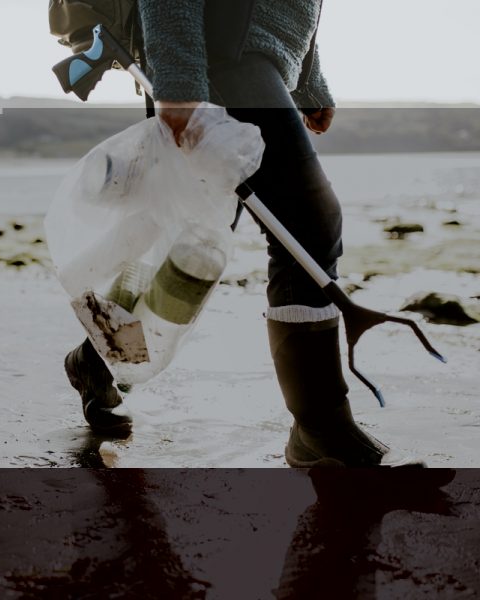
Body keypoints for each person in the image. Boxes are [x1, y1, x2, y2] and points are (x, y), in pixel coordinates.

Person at [65, 0, 422, 467]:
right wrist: (178, 83)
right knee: (308, 225)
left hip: (247, 58)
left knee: (192, 247)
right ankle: (320, 427)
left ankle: (95, 360)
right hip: (215, 56)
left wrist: (309, 78)